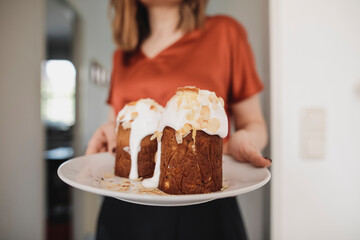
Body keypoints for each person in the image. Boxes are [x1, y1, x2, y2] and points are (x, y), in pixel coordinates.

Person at [86, 0, 271, 239]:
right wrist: (108, 132)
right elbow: (118, 123)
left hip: (205, 207)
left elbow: (254, 124)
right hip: (126, 207)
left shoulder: (225, 33)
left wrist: (244, 140)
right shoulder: (123, 55)